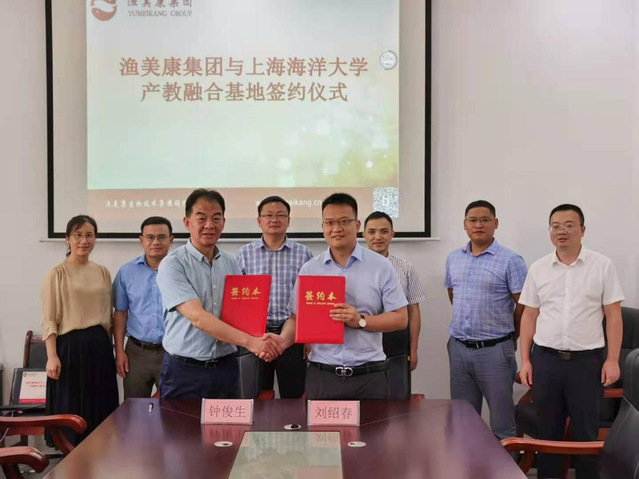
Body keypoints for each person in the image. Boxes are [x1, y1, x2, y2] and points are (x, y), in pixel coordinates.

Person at [519, 204, 623, 479]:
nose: (561, 231)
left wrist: (613, 360)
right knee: (547, 433)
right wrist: (525, 360)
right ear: (550, 232)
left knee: (585, 433)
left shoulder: (602, 265)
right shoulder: (539, 268)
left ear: (582, 230)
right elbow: (529, 315)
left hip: (586, 363)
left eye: (568, 225)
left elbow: (613, 315)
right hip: (546, 360)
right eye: (555, 226)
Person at [269, 193, 408, 400]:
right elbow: (297, 319)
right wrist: (282, 341)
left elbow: (400, 318)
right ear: (322, 226)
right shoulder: (310, 269)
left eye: (344, 221)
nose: (336, 229)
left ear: (357, 225)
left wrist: (360, 320)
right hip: (323, 374)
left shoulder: (380, 266)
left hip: (369, 375)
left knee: (373, 424)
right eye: (330, 222)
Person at [156, 189, 281, 399]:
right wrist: (252, 343)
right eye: (201, 218)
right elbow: (198, 317)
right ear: (187, 223)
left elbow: (241, 315)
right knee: (179, 422)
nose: (209, 225)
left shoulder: (231, 263)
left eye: (216, 218)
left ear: (223, 222)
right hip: (185, 371)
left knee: (228, 422)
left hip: (226, 368)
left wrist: (262, 339)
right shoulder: (173, 264)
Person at [444, 200, 527, 440]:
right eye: (473, 220)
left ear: (496, 223)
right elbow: (453, 294)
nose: (478, 225)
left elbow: (524, 305)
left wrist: (512, 337)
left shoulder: (511, 260)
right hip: (459, 349)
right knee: (463, 422)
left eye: (485, 220)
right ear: (465, 224)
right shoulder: (454, 258)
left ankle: (506, 464)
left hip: (495, 350)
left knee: (502, 425)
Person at [42, 215, 118, 446]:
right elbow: (49, 319)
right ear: (67, 239)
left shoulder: (103, 272)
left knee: (101, 405)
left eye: (89, 235)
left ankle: (101, 456)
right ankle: (72, 459)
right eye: (78, 235)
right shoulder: (57, 274)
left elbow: (110, 317)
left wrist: (115, 350)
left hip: (100, 346)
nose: (84, 241)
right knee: (72, 405)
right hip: (70, 348)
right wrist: (52, 356)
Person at [236, 196, 313, 398]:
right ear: (259, 220)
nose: (274, 219)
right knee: (254, 395)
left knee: (294, 395)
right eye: (268, 215)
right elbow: (238, 300)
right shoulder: (244, 254)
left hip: (293, 334)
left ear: (288, 220)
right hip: (255, 335)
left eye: (280, 215)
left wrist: (309, 338)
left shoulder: (303, 253)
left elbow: (309, 300)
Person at [113, 216, 174, 399]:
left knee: (173, 408)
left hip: (172, 352)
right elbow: (120, 314)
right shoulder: (127, 272)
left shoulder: (181, 270)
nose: (155, 242)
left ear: (171, 240)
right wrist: (119, 352)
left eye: (161, 237)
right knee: (134, 408)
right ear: (141, 240)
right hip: (136, 353)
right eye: (150, 237)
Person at [363, 211, 426, 372]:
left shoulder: (405, 267)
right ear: (364, 235)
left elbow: (413, 311)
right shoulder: (354, 266)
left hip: (397, 338)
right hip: (363, 337)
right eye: (372, 232)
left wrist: (413, 349)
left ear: (392, 234)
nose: (378, 237)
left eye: (384, 231)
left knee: (397, 386)